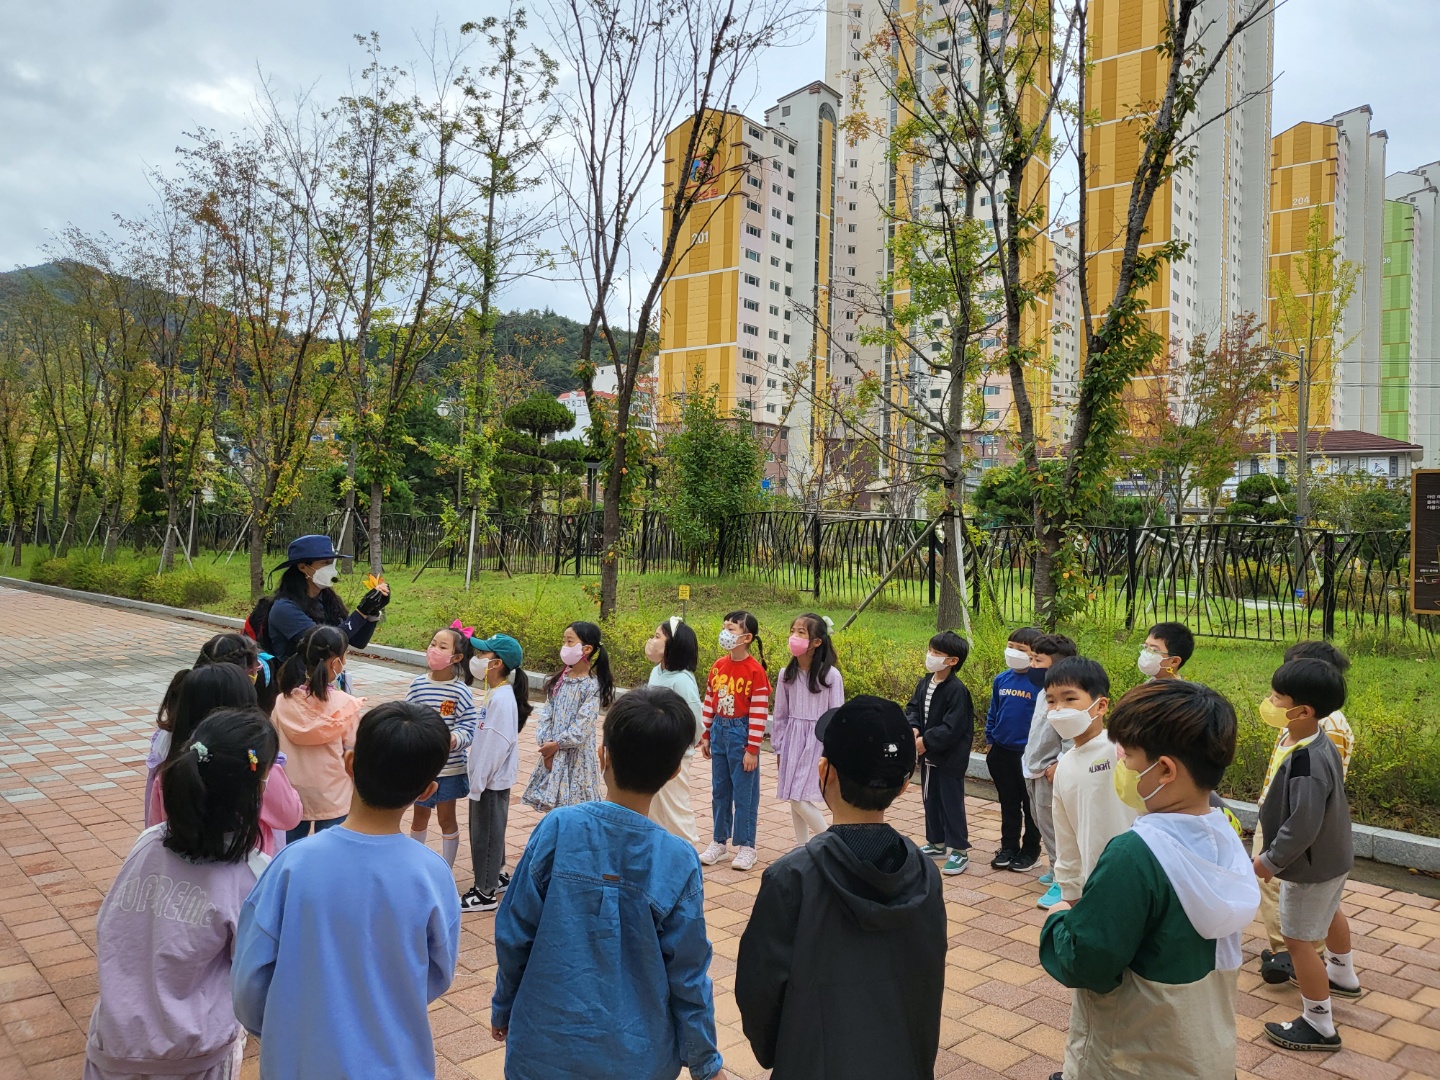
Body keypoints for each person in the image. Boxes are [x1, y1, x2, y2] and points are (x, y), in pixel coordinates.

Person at [491, 686, 730, 1080]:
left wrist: (504, 1005)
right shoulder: (677, 859)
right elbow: (688, 973)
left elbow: (514, 932)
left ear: (602, 754)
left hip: (544, 1048)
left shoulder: (557, 828)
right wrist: (705, 1062)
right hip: (638, 1058)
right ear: (673, 772)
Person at [1039, 680, 1261, 1080]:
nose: (1121, 767)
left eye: (1127, 758)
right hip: (1199, 1048)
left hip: (1131, 1055)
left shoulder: (1134, 855)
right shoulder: (1223, 832)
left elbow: (1088, 961)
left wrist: (1057, 919)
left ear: (1164, 770)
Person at [232, 701, 460, 1080]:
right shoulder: (433, 875)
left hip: (299, 1062)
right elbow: (437, 974)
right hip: (397, 1063)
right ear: (427, 791)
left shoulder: (292, 865)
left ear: (350, 763)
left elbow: (249, 981)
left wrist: (280, 1030)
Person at [735, 695, 947, 1080]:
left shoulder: (791, 877)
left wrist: (781, 1051)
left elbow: (759, 990)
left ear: (824, 771)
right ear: (903, 786)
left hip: (812, 1062)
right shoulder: (926, 875)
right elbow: (927, 983)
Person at [85, 709, 278, 1080]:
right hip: (193, 1059)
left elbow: (110, 928)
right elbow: (254, 981)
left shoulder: (147, 844)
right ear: (259, 787)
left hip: (113, 1045)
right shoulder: (252, 875)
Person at [1254, 658, 1359, 1051]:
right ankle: (1343, 975)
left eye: (1277, 697)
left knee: (1297, 941)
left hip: (1309, 867)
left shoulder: (1306, 759)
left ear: (1303, 710)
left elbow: (1302, 824)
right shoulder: (1317, 742)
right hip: (1333, 859)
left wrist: (1271, 860)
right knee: (1330, 912)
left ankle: (1319, 1024)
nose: (1270, 701)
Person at [148, 665, 302, 857]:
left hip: (183, 874)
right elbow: (291, 815)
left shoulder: (172, 771)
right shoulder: (257, 769)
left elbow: (155, 828)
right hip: (248, 876)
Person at [147, 634, 275, 817]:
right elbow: (288, 813)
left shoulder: (170, 735)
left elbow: (156, 814)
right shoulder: (250, 745)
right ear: (243, 683)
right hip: (244, 842)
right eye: (256, 671)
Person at [1045, 657, 1137, 905]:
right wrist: (1071, 891)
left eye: (1069, 699)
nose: (1058, 709)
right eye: (1051, 701)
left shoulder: (1121, 750)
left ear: (1101, 706)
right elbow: (1065, 837)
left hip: (1139, 880)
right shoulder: (1064, 766)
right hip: (1093, 888)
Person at [271, 626, 364, 842]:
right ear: (336, 663)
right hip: (333, 794)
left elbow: (273, 744)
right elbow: (354, 751)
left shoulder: (283, 701)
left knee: (289, 853)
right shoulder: (346, 705)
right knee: (332, 856)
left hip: (292, 794)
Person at [462, 633, 531, 913]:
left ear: (497, 663)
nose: (476, 660)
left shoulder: (501, 699)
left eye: (483, 656)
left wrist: (477, 783)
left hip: (489, 781)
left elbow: (494, 746)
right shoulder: (497, 692)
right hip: (489, 778)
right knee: (493, 829)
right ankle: (497, 875)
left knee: (485, 834)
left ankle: (485, 891)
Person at [699, 611, 772, 871]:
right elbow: (710, 700)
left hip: (741, 735)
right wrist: (705, 733)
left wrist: (753, 749)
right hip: (719, 730)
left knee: (745, 794)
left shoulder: (755, 672)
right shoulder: (718, 665)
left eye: (731, 629)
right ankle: (719, 842)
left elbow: (759, 712)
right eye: (725, 628)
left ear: (747, 637)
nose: (725, 633)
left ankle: (747, 846)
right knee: (720, 790)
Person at [406, 624, 479, 870]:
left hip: (449, 769)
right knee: (419, 817)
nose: (434, 650)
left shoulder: (460, 691)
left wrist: (453, 739)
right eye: (433, 644)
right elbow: (407, 717)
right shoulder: (417, 685)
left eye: (442, 646)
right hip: (421, 769)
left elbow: (469, 727)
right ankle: (415, 866)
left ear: (456, 657)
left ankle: (445, 870)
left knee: (447, 819)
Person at [521, 621, 614, 812]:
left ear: (586, 648)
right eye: (563, 641)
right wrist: (546, 743)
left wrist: (557, 745)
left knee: (576, 809)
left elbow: (582, 726)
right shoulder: (560, 679)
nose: (564, 646)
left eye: (570, 642)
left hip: (576, 758)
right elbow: (547, 713)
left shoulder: (591, 686)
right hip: (552, 752)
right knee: (553, 808)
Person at [905, 631, 974, 876]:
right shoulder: (926, 681)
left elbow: (952, 727)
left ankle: (959, 850)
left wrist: (927, 742)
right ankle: (936, 843)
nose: (930, 656)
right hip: (928, 757)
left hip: (948, 759)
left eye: (937, 653)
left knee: (951, 803)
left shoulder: (957, 690)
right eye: (930, 650)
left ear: (952, 661)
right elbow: (913, 707)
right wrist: (913, 728)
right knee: (930, 799)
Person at [261, 534, 389, 665]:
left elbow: (358, 641)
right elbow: (327, 643)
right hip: (295, 682)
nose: (331, 569)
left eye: (332, 563)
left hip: (322, 679)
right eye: (325, 563)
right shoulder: (284, 608)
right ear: (302, 567)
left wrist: (372, 611)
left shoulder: (327, 598)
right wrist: (361, 611)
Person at [772, 613, 843, 846]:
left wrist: (832, 751)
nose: (794, 636)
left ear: (816, 642)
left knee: (799, 798)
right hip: (793, 742)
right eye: (792, 631)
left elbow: (836, 716)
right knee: (795, 796)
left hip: (818, 742)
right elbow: (781, 715)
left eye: (801, 632)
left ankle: (833, 844)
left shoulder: (831, 676)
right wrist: (779, 747)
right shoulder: (786, 675)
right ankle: (802, 847)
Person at [1020, 633, 1077, 907]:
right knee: (1041, 821)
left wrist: (1059, 763)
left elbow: (1070, 737)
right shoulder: (1044, 693)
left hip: (1049, 774)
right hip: (1033, 770)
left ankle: (1062, 882)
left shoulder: (1063, 697)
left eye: (1037, 660)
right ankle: (1055, 869)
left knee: (1056, 829)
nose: (1031, 664)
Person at [983, 626, 1042, 871]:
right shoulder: (1002, 679)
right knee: (1008, 803)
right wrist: (990, 740)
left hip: (1028, 755)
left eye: (1021, 649)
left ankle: (1030, 850)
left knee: (1031, 806)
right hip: (1002, 752)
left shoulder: (1041, 683)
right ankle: (1008, 846)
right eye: (1011, 646)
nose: (1013, 652)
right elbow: (994, 711)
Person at [645, 617, 705, 843]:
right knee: (653, 807)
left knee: (674, 807)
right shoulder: (656, 672)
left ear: (674, 645)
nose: (652, 641)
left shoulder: (682, 680)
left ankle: (687, 849)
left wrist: (688, 741)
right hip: (653, 751)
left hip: (673, 755)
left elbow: (694, 720)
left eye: (658, 636)